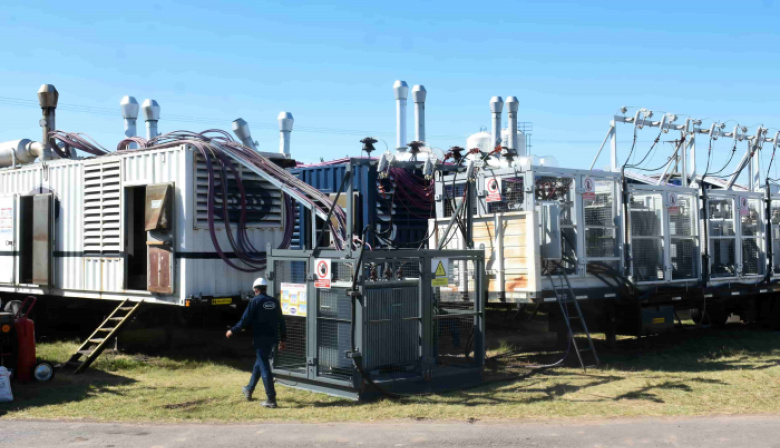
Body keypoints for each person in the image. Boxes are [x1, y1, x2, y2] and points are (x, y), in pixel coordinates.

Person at [226, 277, 286, 408]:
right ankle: (249, 388)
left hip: (260, 339)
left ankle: (271, 399)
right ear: (265, 289)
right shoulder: (274, 301)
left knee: (264, 366)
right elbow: (281, 321)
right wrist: (283, 339)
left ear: (255, 289)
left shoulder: (254, 301)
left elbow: (244, 320)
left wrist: (232, 330)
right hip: (272, 338)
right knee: (259, 363)